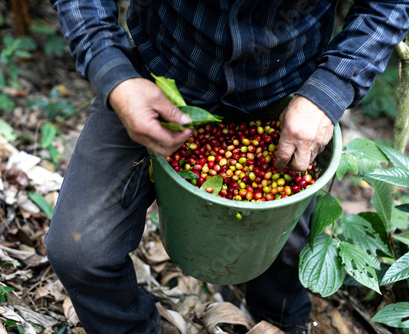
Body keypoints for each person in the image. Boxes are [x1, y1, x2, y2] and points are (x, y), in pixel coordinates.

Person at [45, 1, 409, 333]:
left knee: (287, 243)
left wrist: (329, 89)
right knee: (79, 251)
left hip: (287, 95)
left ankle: (281, 318)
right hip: (159, 76)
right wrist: (114, 73)